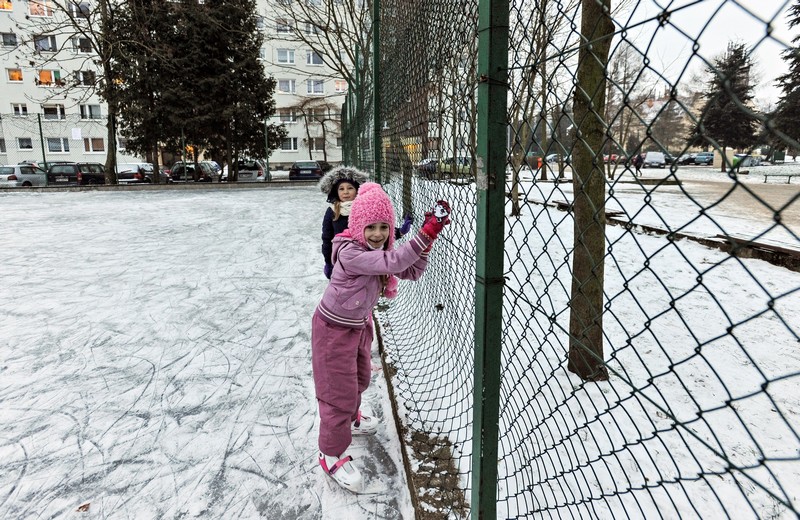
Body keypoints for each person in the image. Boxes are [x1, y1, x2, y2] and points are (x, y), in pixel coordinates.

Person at [311, 182, 451, 492]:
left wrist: (426, 244)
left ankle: (351, 415)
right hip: (332, 330)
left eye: (384, 227)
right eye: (370, 227)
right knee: (337, 392)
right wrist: (425, 234)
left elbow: (410, 271)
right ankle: (330, 451)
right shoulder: (349, 251)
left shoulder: (380, 249)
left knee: (359, 379)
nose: (377, 234)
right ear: (357, 225)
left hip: (358, 325)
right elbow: (394, 263)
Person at [318, 167, 413, 279]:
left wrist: (399, 232)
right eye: (341, 189)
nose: (346, 192)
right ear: (336, 191)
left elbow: (376, 231)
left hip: (366, 259)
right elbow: (327, 238)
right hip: (342, 261)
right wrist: (328, 262)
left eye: (350, 188)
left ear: (357, 190)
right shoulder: (332, 211)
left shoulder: (364, 208)